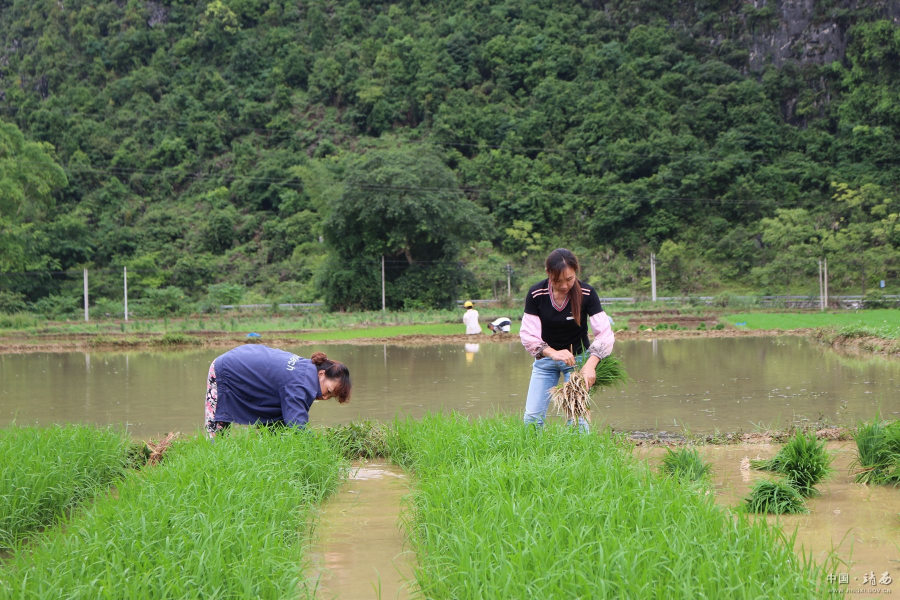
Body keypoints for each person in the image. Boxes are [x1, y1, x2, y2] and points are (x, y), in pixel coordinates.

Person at [520, 248, 615, 431]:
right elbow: (528, 335)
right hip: (545, 361)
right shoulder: (536, 294)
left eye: (569, 279)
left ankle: (579, 456)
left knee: (578, 420)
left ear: (575, 272)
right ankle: (531, 456)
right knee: (532, 418)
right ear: (548, 273)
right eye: (557, 281)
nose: (564, 285)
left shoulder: (587, 293)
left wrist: (590, 365)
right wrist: (553, 353)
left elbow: (604, 333)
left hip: (578, 362)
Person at [204, 344, 350, 439]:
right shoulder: (301, 384)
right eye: (328, 390)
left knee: (274, 427)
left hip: (241, 360)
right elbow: (297, 424)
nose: (325, 397)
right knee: (217, 432)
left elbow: (285, 416)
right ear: (321, 374)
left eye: (331, 397)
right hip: (225, 370)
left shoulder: (306, 370)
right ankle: (209, 467)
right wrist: (319, 449)